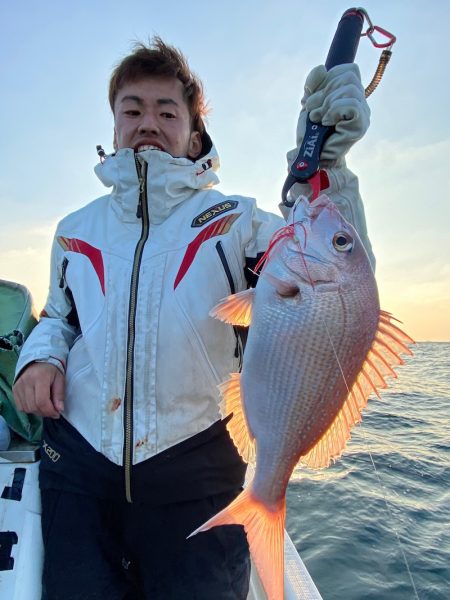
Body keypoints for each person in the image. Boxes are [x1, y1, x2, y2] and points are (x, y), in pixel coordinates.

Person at [13, 37, 372, 600]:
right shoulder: (74, 229)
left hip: (197, 473)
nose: (147, 121)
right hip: (80, 472)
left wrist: (329, 166)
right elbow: (60, 317)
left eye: (166, 110)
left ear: (194, 133)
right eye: (131, 109)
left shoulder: (238, 220)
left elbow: (339, 279)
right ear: (113, 126)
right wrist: (39, 357)